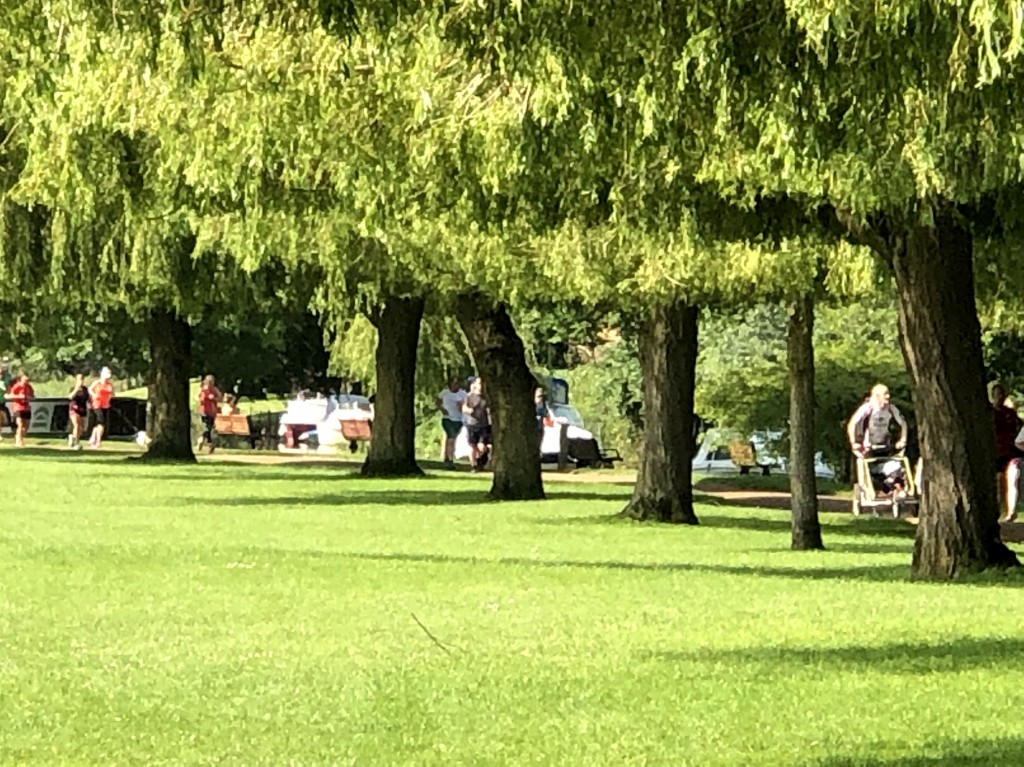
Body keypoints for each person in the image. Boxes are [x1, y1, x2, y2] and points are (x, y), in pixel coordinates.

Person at [847, 383, 908, 495]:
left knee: (895, 468)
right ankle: (867, 490)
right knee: (865, 466)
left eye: (888, 394)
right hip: (867, 447)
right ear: (877, 396)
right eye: (885, 394)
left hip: (884, 445)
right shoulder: (867, 408)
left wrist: (902, 439)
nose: (888, 397)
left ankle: (890, 490)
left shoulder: (891, 409)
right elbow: (852, 424)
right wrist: (854, 442)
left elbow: (903, 423)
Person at [991, 383, 1022, 522]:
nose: (1000, 397)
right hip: (996, 452)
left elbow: (1019, 428)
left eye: (1002, 394)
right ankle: (997, 510)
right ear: (993, 396)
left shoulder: (1010, 414)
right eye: (998, 394)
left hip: (1011, 452)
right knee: (998, 481)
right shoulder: (990, 413)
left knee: (1012, 479)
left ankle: (1011, 511)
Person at [435, 376, 467, 468]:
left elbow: (466, 404)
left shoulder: (462, 394)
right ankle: (450, 460)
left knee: (452, 439)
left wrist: (461, 406)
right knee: (451, 438)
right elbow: (437, 401)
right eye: (454, 383)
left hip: (458, 419)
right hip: (447, 418)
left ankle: (447, 457)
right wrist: (441, 409)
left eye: (457, 383)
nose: (456, 385)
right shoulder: (445, 393)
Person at [462, 376, 491, 471]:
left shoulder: (486, 397)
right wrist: (469, 410)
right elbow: (463, 408)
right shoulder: (469, 396)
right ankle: (474, 465)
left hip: (483, 425)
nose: (480, 386)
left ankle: (481, 459)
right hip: (471, 424)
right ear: (474, 385)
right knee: (472, 446)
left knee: (482, 447)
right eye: (479, 383)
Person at [87, 367, 115, 449]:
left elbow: (112, 393)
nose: (106, 379)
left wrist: (110, 396)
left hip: (105, 405)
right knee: (101, 423)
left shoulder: (109, 385)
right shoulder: (97, 382)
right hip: (97, 404)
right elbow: (90, 389)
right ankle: (98, 441)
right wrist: (94, 395)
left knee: (98, 424)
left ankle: (92, 438)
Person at [6, 372, 33, 448]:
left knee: (26, 425)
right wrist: (18, 396)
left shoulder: (29, 387)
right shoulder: (17, 386)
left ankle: (19, 437)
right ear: (21, 379)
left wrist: (29, 397)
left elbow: (32, 396)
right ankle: (19, 441)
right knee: (20, 424)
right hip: (18, 407)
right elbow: (10, 395)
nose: (26, 381)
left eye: (27, 379)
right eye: (25, 379)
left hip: (26, 407)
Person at [197, 375, 221, 453]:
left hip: (211, 411)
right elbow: (197, 397)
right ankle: (209, 443)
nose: (211, 383)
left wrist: (213, 398)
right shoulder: (203, 389)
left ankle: (204, 440)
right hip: (204, 411)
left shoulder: (214, 390)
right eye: (209, 381)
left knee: (208, 428)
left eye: (212, 381)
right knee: (207, 427)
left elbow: (220, 397)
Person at [68, 373, 90, 449]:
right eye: (79, 379)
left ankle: (73, 437)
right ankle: (76, 442)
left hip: (82, 409)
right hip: (74, 409)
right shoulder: (73, 388)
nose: (80, 381)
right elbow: (70, 397)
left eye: (82, 379)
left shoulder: (85, 389)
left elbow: (88, 399)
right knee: (77, 425)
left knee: (82, 428)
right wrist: (76, 389)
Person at [0, 364, 13, 441]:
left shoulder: (4, 382)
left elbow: (8, 391)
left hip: (1, 402)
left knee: (1, 419)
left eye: (1, 373)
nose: (1, 375)